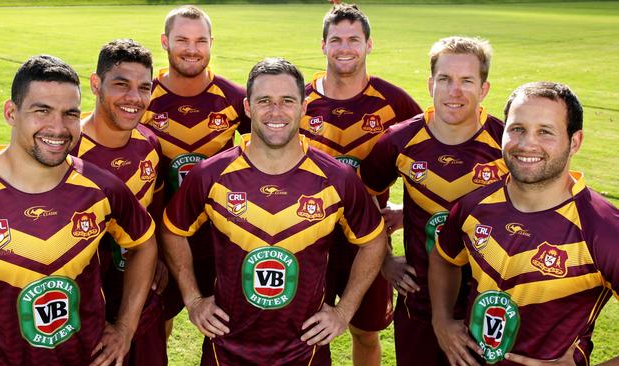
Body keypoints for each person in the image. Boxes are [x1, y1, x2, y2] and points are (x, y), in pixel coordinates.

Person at [161, 57, 387, 365]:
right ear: (248, 107)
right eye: (264, 101)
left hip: (305, 351)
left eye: (287, 101)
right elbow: (172, 230)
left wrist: (344, 311)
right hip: (225, 349)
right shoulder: (209, 175)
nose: (276, 112)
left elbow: (373, 241)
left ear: (304, 107)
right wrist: (193, 299)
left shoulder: (337, 179)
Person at [0, 55, 157, 366]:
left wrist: (125, 327)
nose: (58, 128)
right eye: (42, 111)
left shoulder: (101, 187)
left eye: (70, 114)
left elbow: (144, 245)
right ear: (11, 112)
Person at [429, 81, 619, 366]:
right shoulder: (474, 205)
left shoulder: (602, 228)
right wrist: (442, 320)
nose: (527, 143)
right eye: (517, 129)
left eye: (545, 132)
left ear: (575, 142)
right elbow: (444, 257)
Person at [359, 36, 507, 365]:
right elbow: (364, 194)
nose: (455, 91)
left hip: (488, 305)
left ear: (483, 88)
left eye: (467, 81)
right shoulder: (400, 140)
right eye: (445, 79)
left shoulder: (507, 144)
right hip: (419, 301)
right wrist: (383, 257)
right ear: (430, 84)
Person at [299, 4, 421, 364]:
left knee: (366, 333)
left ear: (369, 45)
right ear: (323, 46)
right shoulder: (299, 100)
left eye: (354, 39)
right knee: (305, 332)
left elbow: (427, 158)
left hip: (369, 244)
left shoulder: (394, 101)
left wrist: (406, 211)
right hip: (308, 241)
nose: (344, 47)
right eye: (335, 39)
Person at [140, 5, 251, 325]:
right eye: (182, 40)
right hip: (163, 236)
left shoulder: (234, 98)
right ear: (164, 41)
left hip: (222, 235)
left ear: (211, 42)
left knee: (228, 324)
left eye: (201, 41)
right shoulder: (144, 99)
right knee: (157, 323)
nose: (192, 49)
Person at [71, 39, 167, 365]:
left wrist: (161, 260)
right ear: (95, 84)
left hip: (141, 302)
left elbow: (154, 211)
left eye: (144, 87)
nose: (134, 98)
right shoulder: (64, 150)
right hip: (84, 310)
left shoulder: (150, 144)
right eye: (121, 85)